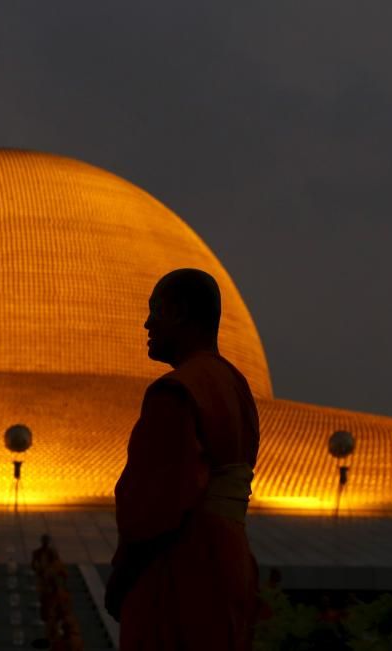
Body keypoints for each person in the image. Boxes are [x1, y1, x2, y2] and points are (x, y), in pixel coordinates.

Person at [105, 268, 261, 650]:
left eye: (155, 310)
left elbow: (155, 503)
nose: (147, 323)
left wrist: (121, 578)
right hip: (231, 561)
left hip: (184, 566)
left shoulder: (177, 392)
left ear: (177, 312)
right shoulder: (234, 384)